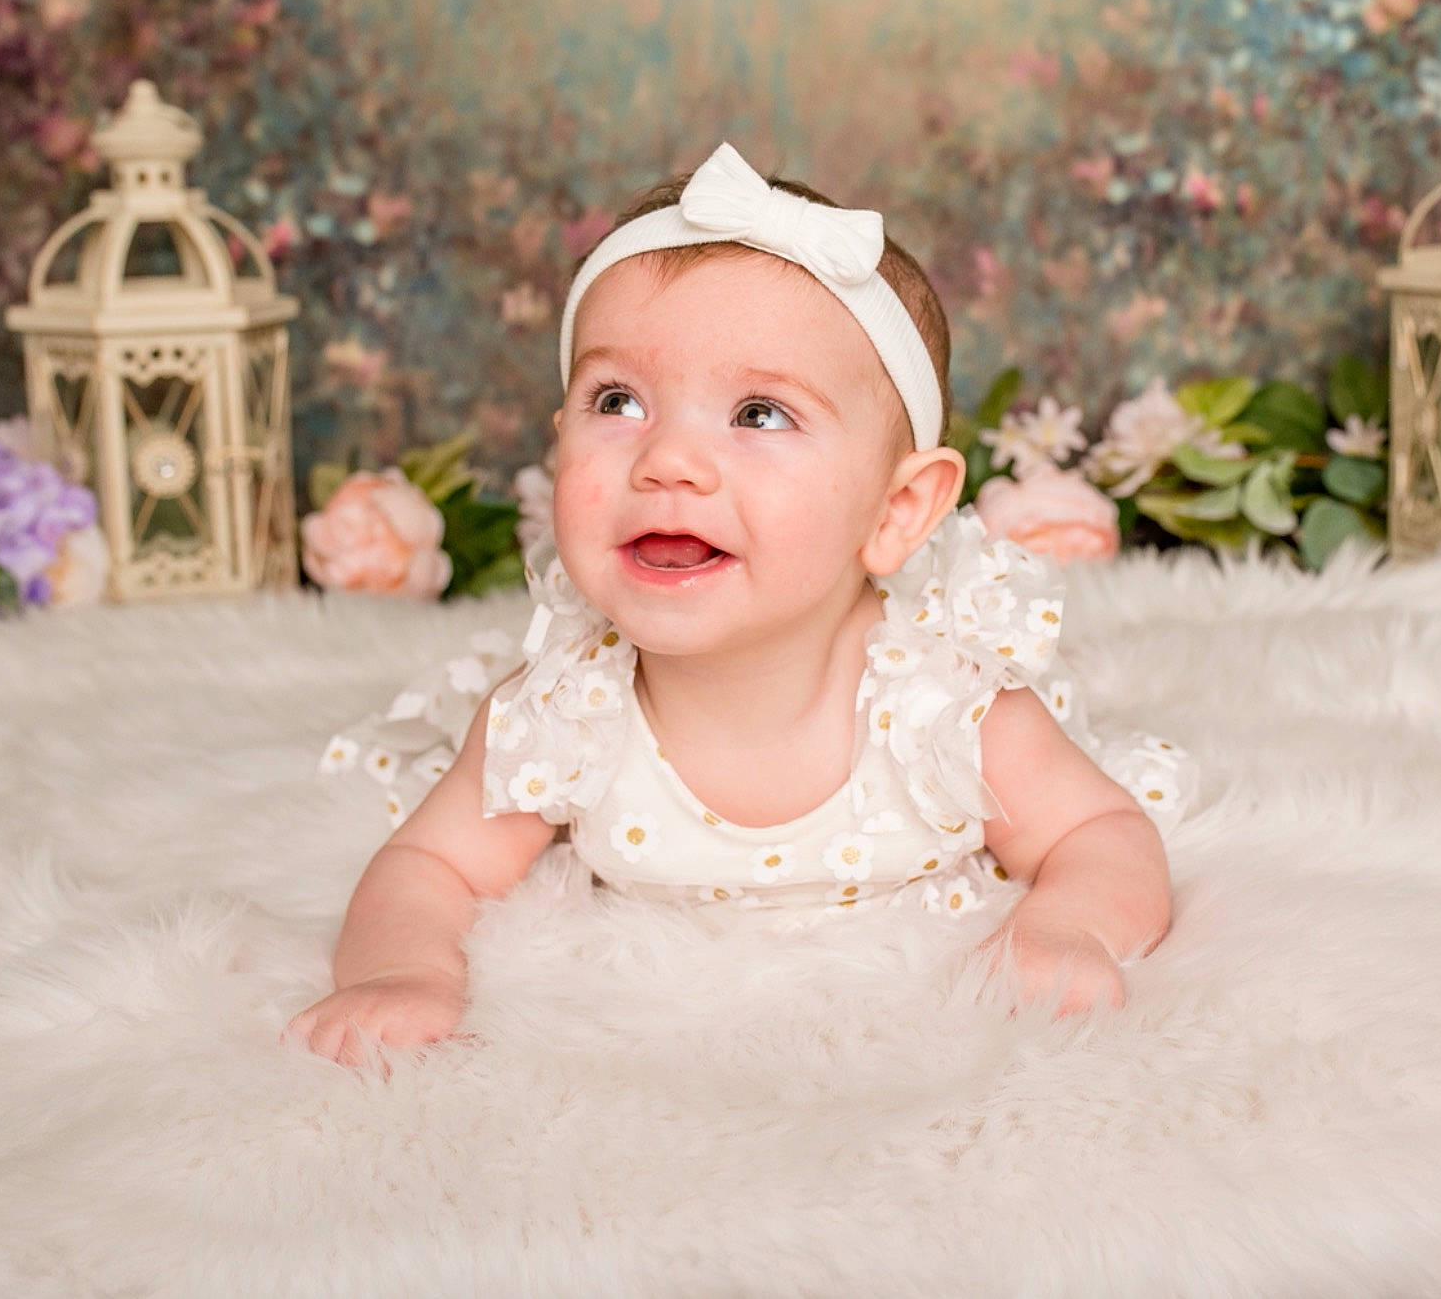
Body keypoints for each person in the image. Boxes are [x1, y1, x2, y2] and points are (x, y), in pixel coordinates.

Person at [287, 142, 1193, 1069]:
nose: (667, 459)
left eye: (760, 413)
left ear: (897, 510)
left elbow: (1102, 834)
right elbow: (429, 866)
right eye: (618, 400)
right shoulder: (565, 712)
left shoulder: (946, 706)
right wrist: (399, 970)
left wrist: (1071, 929)